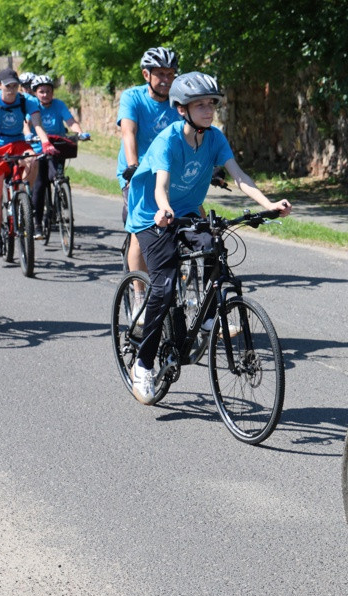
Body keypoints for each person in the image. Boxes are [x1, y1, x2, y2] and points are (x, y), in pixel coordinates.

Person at [124, 71, 291, 404]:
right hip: (151, 215)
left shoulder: (214, 138)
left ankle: (208, 317)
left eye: (211, 104)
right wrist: (165, 209)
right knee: (165, 283)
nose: (208, 110)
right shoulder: (168, 140)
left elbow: (239, 176)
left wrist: (268, 204)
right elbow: (160, 186)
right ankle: (142, 365)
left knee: (214, 243)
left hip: (186, 211)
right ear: (182, 109)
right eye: (199, 104)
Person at [0, 68, 58, 258]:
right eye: (8, 86)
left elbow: (37, 125)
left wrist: (45, 143)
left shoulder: (27, 101)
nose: (12, 89)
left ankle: (23, 196)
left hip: (18, 142)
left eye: (15, 86)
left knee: (33, 158)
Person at [117, 47, 181, 275]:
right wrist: (133, 166)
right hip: (139, 173)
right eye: (160, 74)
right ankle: (138, 294)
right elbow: (128, 132)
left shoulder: (178, 102)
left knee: (196, 217)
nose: (166, 80)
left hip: (168, 171)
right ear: (147, 75)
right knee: (140, 228)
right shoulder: (132, 97)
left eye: (170, 74)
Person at [27, 74, 90, 238]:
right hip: (39, 146)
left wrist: (80, 133)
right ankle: (38, 224)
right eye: (41, 92)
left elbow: (70, 122)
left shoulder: (59, 104)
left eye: (48, 91)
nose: (45, 94)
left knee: (57, 174)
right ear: (35, 93)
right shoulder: (33, 105)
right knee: (40, 184)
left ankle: (60, 192)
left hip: (58, 146)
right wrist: (28, 135)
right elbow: (26, 125)